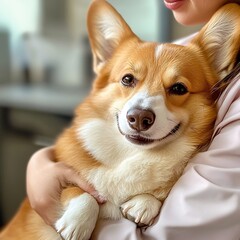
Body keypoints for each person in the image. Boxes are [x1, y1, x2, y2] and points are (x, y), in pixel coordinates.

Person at [26, 0, 240, 239]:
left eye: (177, 88)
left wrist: (56, 214)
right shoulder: (176, 50)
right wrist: (41, 163)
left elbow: (178, 230)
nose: (140, 113)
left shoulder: (203, 68)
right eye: (129, 80)